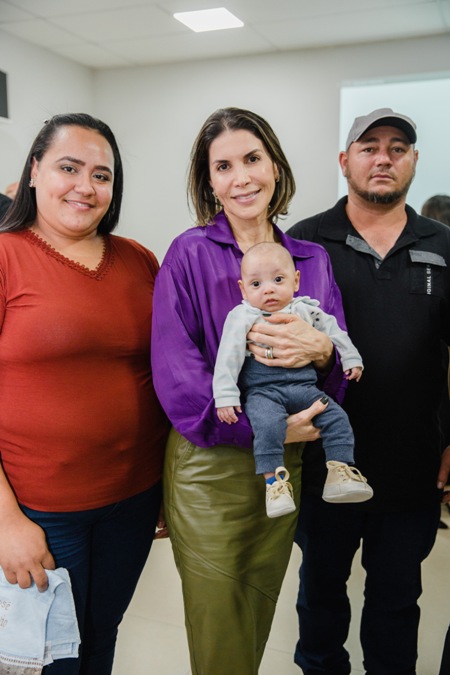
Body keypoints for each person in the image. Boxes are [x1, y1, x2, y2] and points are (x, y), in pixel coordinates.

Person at [151, 106, 348, 675]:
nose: (242, 177)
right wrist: (251, 427)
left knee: (255, 610)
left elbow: (333, 367)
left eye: (253, 158)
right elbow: (175, 366)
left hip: (286, 460)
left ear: (276, 166)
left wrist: (324, 355)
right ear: (208, 181)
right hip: (210, 463)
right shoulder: (189, 253)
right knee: (218, 621)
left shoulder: (313, 259)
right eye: (223, 165)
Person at [0, 113, 170, 674]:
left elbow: (167, 372)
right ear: (33, 172)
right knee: (49, 660)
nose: (85, 186)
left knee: (101, 639)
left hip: (134, 497)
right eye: (68, 168)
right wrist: (6, 522)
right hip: (41, 511)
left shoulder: (139, 260)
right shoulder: (5, 256)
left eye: (102, 175)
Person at [287, 107, 450, 675]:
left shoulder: (443, 246)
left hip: (413, 467)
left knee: (396, 605)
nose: (384, 157)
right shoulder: (305, 243)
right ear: (345, 160)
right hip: (324, 464)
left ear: (413, 162)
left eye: (398, 147)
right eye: (369, 146)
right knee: (321, 601)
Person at [213, 241, 372, 518]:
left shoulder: (307, 310)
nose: (269, 289)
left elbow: (335, 334)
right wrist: (226, 396)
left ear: (296, 281)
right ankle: (274, 485)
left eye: (278, 280)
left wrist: (351, 358)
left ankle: (339, 472)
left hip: (304, 387)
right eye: (256, 284)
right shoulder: (241, 316)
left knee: (336, 417)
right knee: (267, 425)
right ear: (243, 289)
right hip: (263, 391)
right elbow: (228, 357)